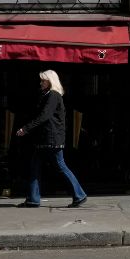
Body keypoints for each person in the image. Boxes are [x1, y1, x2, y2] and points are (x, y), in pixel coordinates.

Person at [15, 70, 87, 209]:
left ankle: (79, 194)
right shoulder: (48, 95)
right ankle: (33, 199)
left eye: (43, 80)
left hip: (51, 139)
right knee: (35, 166)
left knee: (60, 166)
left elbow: (45, 116)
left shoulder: (53, 95)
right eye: (41, 80)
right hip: (45, 139)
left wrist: (26, 128)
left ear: (50, 81)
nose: (41, 83)